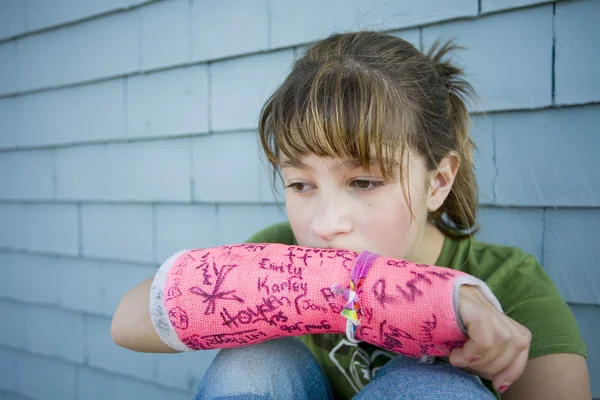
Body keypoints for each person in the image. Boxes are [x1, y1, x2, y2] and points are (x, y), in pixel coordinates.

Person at [111, 31, 591, 399]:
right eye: (301, 185)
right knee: (255, 361)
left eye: (364, 182)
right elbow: (128, 322)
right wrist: (406, 299)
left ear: (438, 181)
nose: (324, 224)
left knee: (432, 386)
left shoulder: (508, 282)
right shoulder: (280, 247)